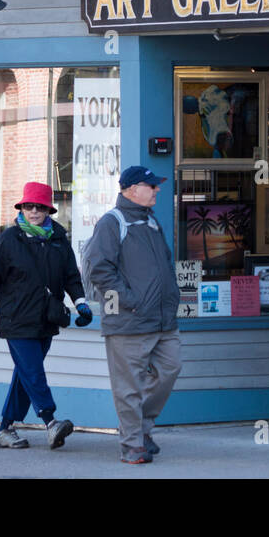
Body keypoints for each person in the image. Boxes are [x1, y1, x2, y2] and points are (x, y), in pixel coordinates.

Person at [0, 181, 91, 450]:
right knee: (33, 372)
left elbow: (71, 276)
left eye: (40, 207)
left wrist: (81, 303)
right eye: (29, 206)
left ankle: (4, 429)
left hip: (47, 318)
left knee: (25, 375)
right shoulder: (8, 239)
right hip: (16, 319)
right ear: (22, 208)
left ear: (49, 210)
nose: (34, 211)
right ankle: (50, 422)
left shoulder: (59, 240)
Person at [86, 165, 182, 464]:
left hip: (163, 319)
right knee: (128, 385)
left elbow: (165, 265)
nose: (157, 190)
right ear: (130, 189)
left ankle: (141, 428)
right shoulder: (111, 223)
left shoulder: (151, 221)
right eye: (150, 186)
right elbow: (98, 268)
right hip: (129, 319)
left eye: (156, 186)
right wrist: (130, 300)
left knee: (170, 369)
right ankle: (132, 444)